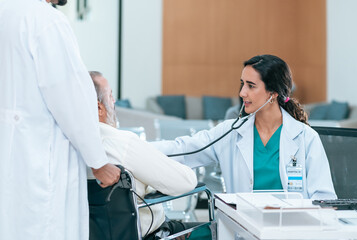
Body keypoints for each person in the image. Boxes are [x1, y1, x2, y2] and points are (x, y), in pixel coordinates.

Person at [0, 0, 120, 239]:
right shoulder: (46, 20)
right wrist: (98, 162)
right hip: (41, 169)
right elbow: (71, 100)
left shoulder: (6, 11)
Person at [152, 54, 336, 200]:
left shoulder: (306, 138)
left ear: (273, 93)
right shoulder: (230, 132)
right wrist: (133, 146)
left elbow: (323, 199)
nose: (242, 93)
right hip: (244, 229)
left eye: (251, 86)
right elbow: (183, 149)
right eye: (242, 84)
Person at [89, 71, 200, 239]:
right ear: (99, 108)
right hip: (152, 234)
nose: (114, 102)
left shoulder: (69, 148)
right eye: (111, 97)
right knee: (217, 228)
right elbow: (186, 182)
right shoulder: (123, 143)